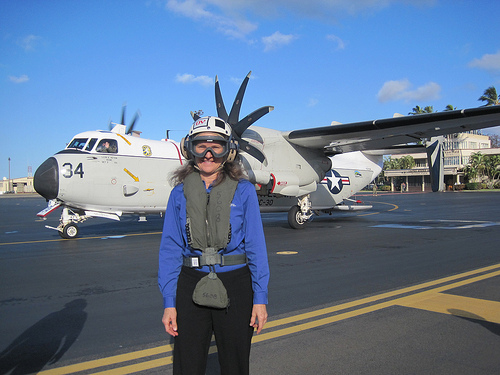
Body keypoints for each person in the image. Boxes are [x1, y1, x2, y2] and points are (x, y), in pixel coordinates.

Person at [158, 116, 270, 375]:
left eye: (216, 146)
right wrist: (169, 302)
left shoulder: (243, 191)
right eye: (201, 146)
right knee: (187, 365)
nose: (208, 154)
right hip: (190, 283)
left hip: (236, 286)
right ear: (190, 149)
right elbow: (170, 248)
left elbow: (255, 245)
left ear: (228, 149)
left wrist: (260, 298)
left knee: (235, 364)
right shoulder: (179, 193)